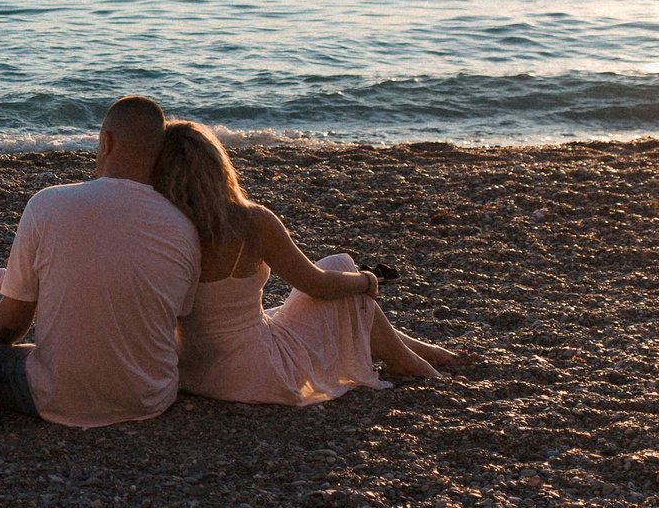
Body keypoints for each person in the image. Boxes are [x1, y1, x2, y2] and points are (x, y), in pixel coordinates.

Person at [149, 120, 472, 404]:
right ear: (218, 167)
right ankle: (410, 362)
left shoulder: (159, 224)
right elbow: (317, 285)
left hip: (194, 370)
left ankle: (423, 352)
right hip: (254, 372)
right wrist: (368, 281)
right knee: (342, 278)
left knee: (336, 285)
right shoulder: (250, 221)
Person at [0, 95, 200, 427]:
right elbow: (172, 322)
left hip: (57, 398)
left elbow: (12, 322)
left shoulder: (48, 205)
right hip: (151, 396)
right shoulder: (183, 227)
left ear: (106, 142)